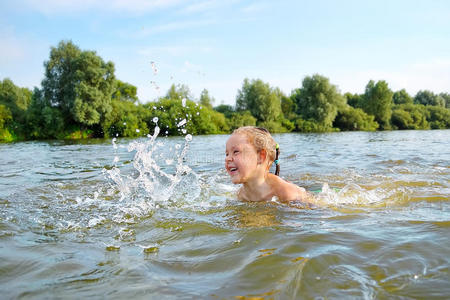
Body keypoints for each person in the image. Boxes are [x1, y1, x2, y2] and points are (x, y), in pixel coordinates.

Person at [225, 126, 314, 204]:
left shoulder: (287, 193)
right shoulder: (240, 196)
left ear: (261, 156)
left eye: (236, 152)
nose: (227, 158)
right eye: (227, 154)